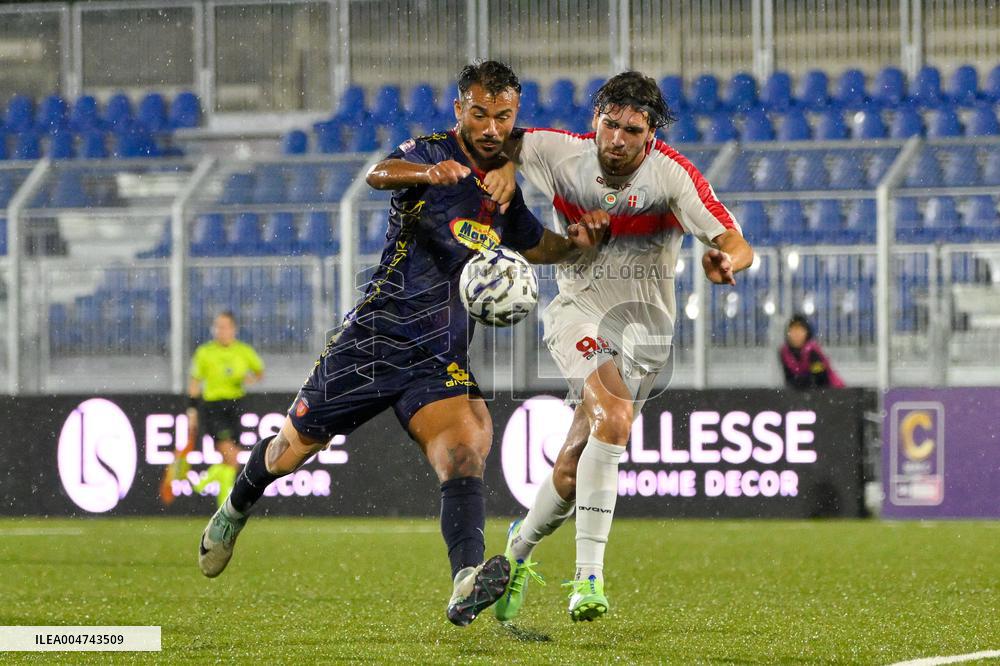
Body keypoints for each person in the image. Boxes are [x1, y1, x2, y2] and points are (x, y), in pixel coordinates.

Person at [196, 60, 607, 627]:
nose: (491, 127)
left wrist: (576, 245)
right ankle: (237, 504)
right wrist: (424, 176)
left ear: (515, 116)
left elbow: (536, 246)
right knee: (291, 450)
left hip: (438, 357)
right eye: (480, 114)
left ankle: (466, 579)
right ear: (460, 109)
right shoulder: (430, 152)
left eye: (503, 117)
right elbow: (377, 173)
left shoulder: (503, 193)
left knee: (464, 454)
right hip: (371, 342)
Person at [482, 71, 754, 622]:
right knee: (615, 414)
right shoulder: (557, 152)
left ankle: (514, 554)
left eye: (632, 129)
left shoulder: (673, 176)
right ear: (595, 120)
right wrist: (503, 163)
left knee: (570, 468)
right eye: (610, 124)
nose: (618, 139)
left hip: (645, 335)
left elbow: (734, 239)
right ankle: (588, 578)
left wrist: (728, 261)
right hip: (578, 312)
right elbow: (489, 138)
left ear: (650, 134)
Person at [182, 311, 264, 490]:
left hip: (236, 405)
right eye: (218, 327)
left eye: (225, 327)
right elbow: (194, 383)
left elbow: (259, 372)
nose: (221, 331)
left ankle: (215, 493)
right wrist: (192, 410)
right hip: (213, 407)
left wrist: (250, 379)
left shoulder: (243, 351)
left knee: (232, 460)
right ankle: (206, 486)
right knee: (231, 456)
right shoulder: (205, 352)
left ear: (233, 329)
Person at [780, 314, 845, 389]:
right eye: (793, 330)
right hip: (805, 393)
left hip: (832, 390)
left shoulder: (812, 351)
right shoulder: (784, 352)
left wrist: (803, 381)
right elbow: (789, 378)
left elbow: (820, 376)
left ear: (806, 333)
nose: (796, 334)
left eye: (800, 330)